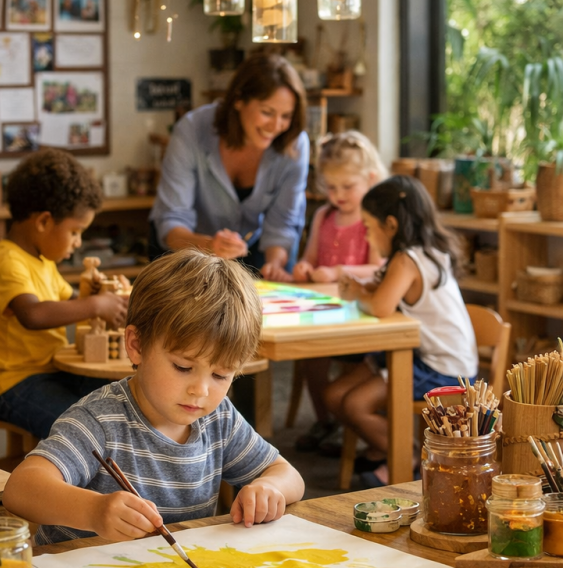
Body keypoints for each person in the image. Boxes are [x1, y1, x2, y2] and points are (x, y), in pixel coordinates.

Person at [3, 249, 305, 544]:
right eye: (183, 367)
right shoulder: (100, 420)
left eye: (220, 375)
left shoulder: (219, 417)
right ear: (136, 345)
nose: (200, 390)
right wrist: (93, 511)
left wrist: (269, 488)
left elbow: (287, 474)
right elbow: (21, 489)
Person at [326, 175, 478, 487]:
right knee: (335, 395)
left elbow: (381, 306)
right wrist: (365, 287)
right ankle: (385, 448)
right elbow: (387, 292)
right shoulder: (424, 252)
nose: (367, 236)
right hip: (423, 356)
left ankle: (408, 456)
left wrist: (357, 292)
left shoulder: (408, 259)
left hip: (444, 369)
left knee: (354, 403)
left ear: (391, 225)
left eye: (369, 227)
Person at [0, 148, 128, 440]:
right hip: (14, 384)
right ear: (44, 222)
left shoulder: (43, 261)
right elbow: (33, 315)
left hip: (54, 371)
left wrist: (100, 293)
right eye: (75, 232)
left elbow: (71, 302)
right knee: (79, 429)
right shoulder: (7, 261)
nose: (78, 242)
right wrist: (95, 304)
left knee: (117, 403)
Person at [149, 52, 309, 282]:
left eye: (286, 116)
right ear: (238, 99)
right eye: (267, 112)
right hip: (188, 254)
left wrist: (274, 266)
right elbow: (172, 221)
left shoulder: (295, 143)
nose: (276, 126)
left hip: (254, 253)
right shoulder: (192, 130)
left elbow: (282, 224)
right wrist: (210, 246)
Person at [290, 131, 389, 453]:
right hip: (322, 310)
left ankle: (350, 429)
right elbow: (310, 258)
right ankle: (325, 420)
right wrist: (304, 268)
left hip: (356, 315)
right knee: (310, 360)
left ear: (370, 179)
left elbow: (377, 268)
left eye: (347, 186)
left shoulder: (371, 220)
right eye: (331, 187)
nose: (339, 195)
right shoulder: (324, 216)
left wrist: (337, 272)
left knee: (348, 367)